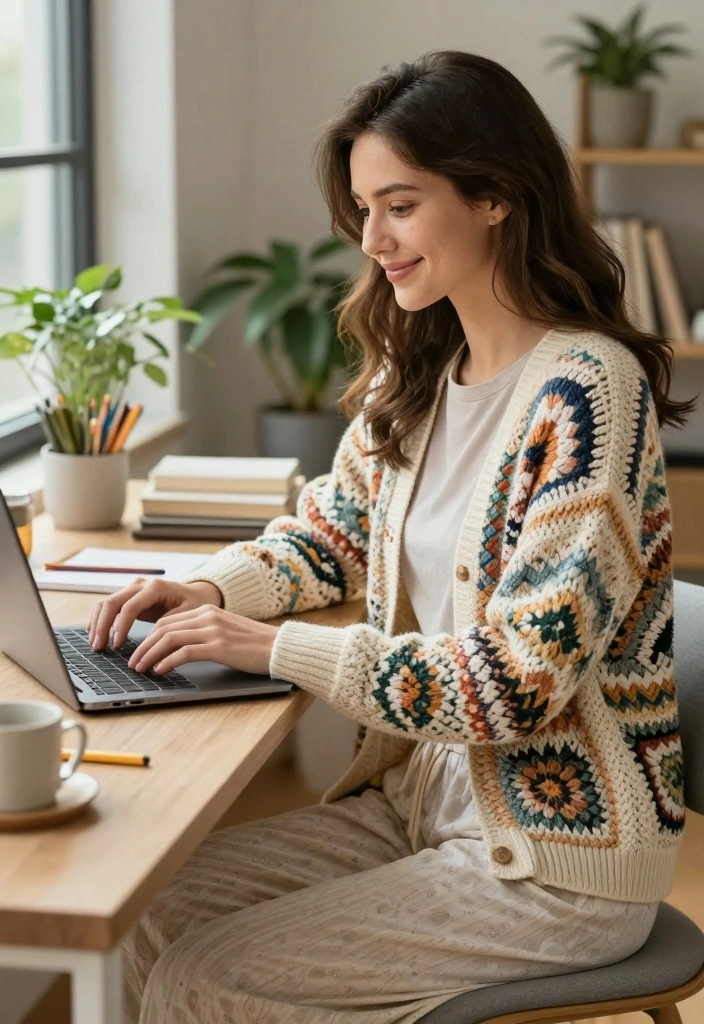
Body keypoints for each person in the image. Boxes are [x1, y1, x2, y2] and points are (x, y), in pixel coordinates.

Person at [90, 50, 694, 1024]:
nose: (371, 238)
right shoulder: (418, 373)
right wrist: (211, 591)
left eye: (399, 205)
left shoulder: (585, 395)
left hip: (556, 856)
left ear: (494, 196)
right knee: (157, 909)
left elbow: (515, 681)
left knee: (205, 981)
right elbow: (331, 534)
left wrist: (270, 645)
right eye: (363, 211)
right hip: (417, 803)